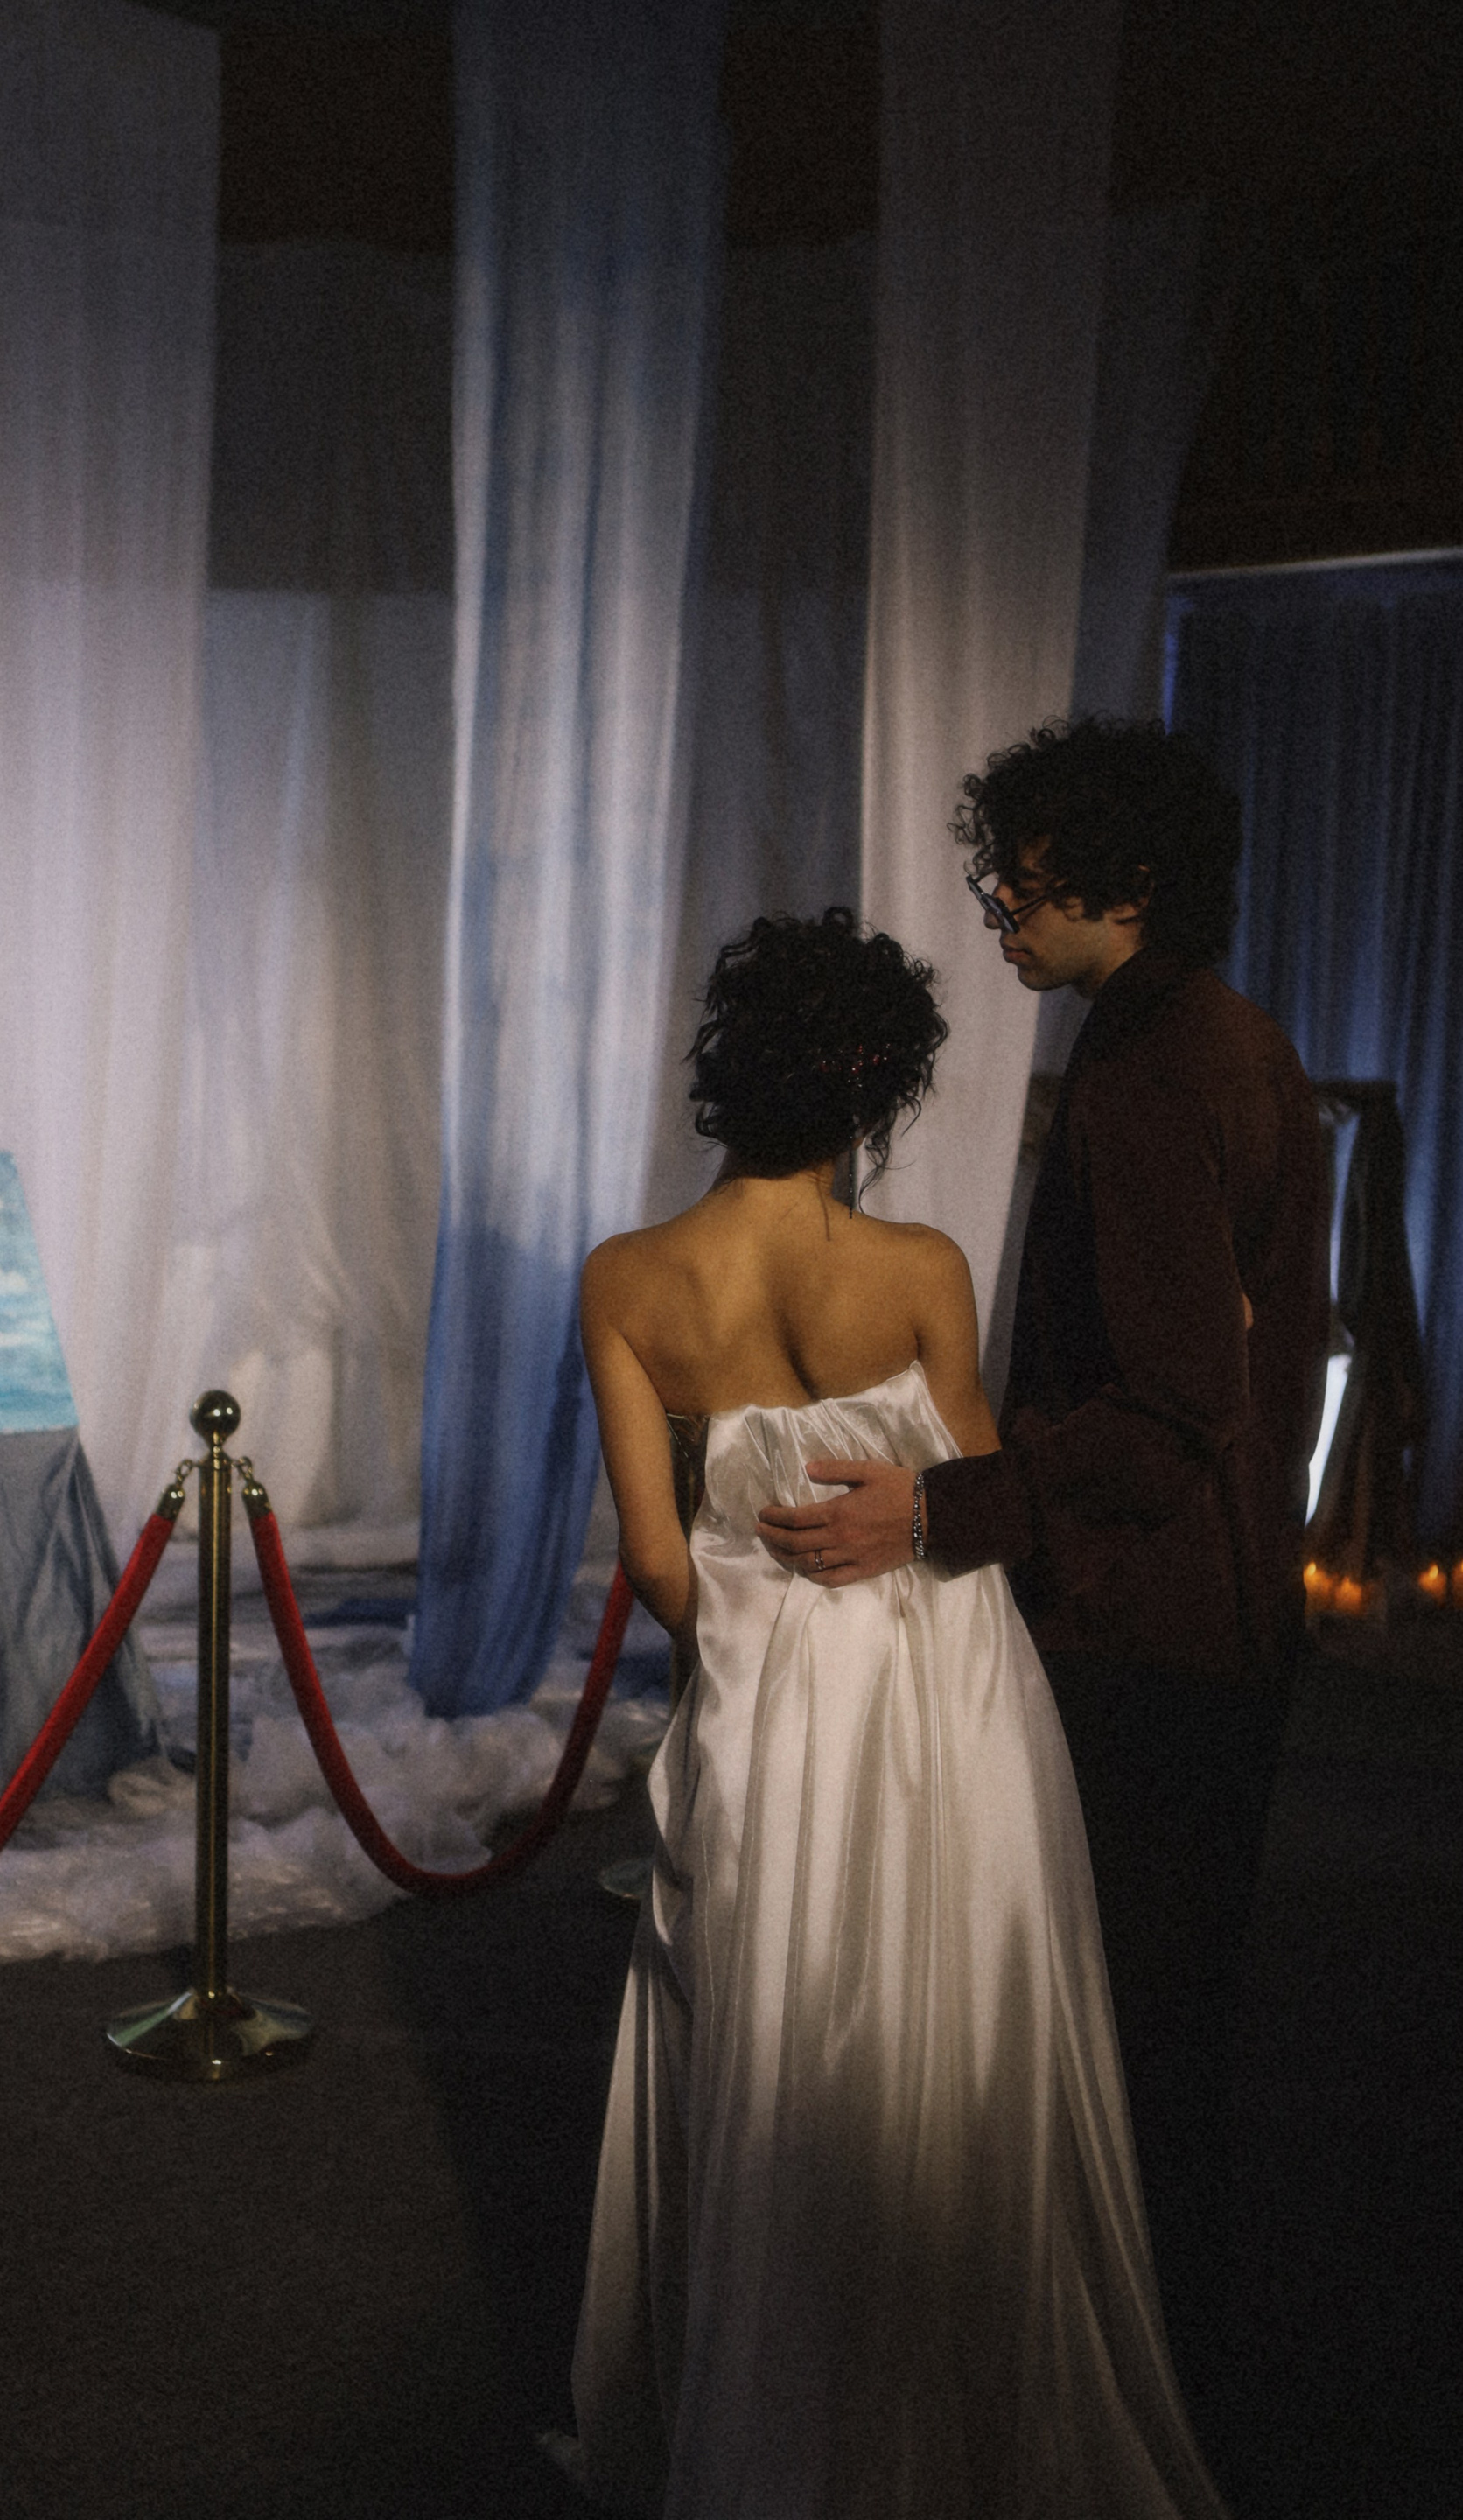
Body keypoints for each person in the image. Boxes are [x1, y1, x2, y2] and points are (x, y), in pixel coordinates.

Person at [566, 907, 1229, 2519]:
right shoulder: (922, 1268)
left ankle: (763, 2425)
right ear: (874, 1083)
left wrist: (761, 1646)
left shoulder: (630, 1279)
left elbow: (655, 1563)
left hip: (760, 1709)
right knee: (957, 2043)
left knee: (770, 2044)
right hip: (945, 1696)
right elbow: (983, 1502)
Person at [757, 722, 1332, 2323]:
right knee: (1174, 2029)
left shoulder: (1152, 1073)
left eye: (1027, 877)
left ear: (1130, 883)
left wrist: (935, 1511)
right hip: (1225, 1607)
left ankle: (1124, 2382)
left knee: (1123, 2031)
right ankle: (1159, 2365)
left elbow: (1177, 1401)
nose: (1000, 904)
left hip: (1149, 1622)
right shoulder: (1235, 1038)